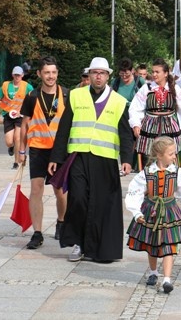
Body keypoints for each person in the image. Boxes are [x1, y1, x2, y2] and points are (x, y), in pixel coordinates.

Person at [48, 57, 134, 262]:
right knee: (77, 198)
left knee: (101, 203)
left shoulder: (119, 101)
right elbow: (64, 128)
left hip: (104, 159)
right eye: (94, 73)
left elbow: (125, 134)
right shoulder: (76, 96)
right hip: (78, 156)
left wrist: (127, 159)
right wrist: (56, 157)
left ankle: (97, 248)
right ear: (89, 75)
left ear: (107, 76)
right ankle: (78, 243)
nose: (98, 76)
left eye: (102, 73)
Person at [125, 136, 181, 293]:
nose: (174, 157)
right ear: (159, 155)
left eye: (174, 153)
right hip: (151, 210)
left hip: (170, 211)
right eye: (170, 154)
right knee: (152, 244)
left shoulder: (178, 173)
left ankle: (167, 279)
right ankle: (153, 271)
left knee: (169, 245)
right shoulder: (146, 173)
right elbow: (134, 192)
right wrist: (136, 212)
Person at [18, 57, 68, 249]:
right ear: (39, 74)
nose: (50, 76)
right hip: (38, 149)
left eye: (53, 72)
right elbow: (24, 125)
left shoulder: (66, 94)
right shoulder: (32, 96)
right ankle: (37, 233)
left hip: (59, 150)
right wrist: (22, 151)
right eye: (47, 72)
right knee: (36, 189)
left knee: (60, 191)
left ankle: (61, 222)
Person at [129, 58, 181, 168]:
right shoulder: (147, 88)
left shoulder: (175, 88)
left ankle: (171, 181)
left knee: (170, 156)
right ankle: (149, 180)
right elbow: (135, 107)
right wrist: (135, 124)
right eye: (153, 71)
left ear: (166, 73)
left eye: (157, 72)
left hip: (170, 128)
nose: (154, 74)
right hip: (150, 128)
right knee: (150, 156)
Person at [0, 66, 34, 169]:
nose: (17, 77)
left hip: (20, 116)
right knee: (9, 142)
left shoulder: (27, 87)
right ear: (12, 75)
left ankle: (16, 163)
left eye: (19, 75)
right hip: (8, 116)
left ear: (22, 75)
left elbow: (34, 99)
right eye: (15, 75)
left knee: (17, 138)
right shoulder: (6, 85)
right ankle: (11, 148)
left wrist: (30, 114)